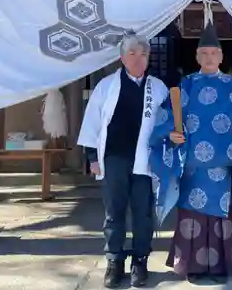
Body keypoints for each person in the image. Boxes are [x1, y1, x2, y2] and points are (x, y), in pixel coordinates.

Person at [148, 21, 232, 285]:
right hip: (192, 164)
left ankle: (221, 265)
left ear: (221, 57)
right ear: (196, 57)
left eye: (214, 53)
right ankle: (192, 265)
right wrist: (170, 134)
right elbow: (167, 116)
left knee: (221, 215)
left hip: (222, 164)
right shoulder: (186, 85)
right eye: (203, 53)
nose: (209, 57)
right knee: (193, 216)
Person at [77, 34, 168, 288]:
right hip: (115, 157)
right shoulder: (106, 86)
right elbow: (92, 122)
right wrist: (92, 156)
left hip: (145, 160)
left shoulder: (158, 88)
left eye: (143, 55)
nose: (138, 60)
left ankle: (140, 260)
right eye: (132, 54)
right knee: (114, 212)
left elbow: (168, 123)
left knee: (142, 212)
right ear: (122, 57)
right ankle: (114, 260)